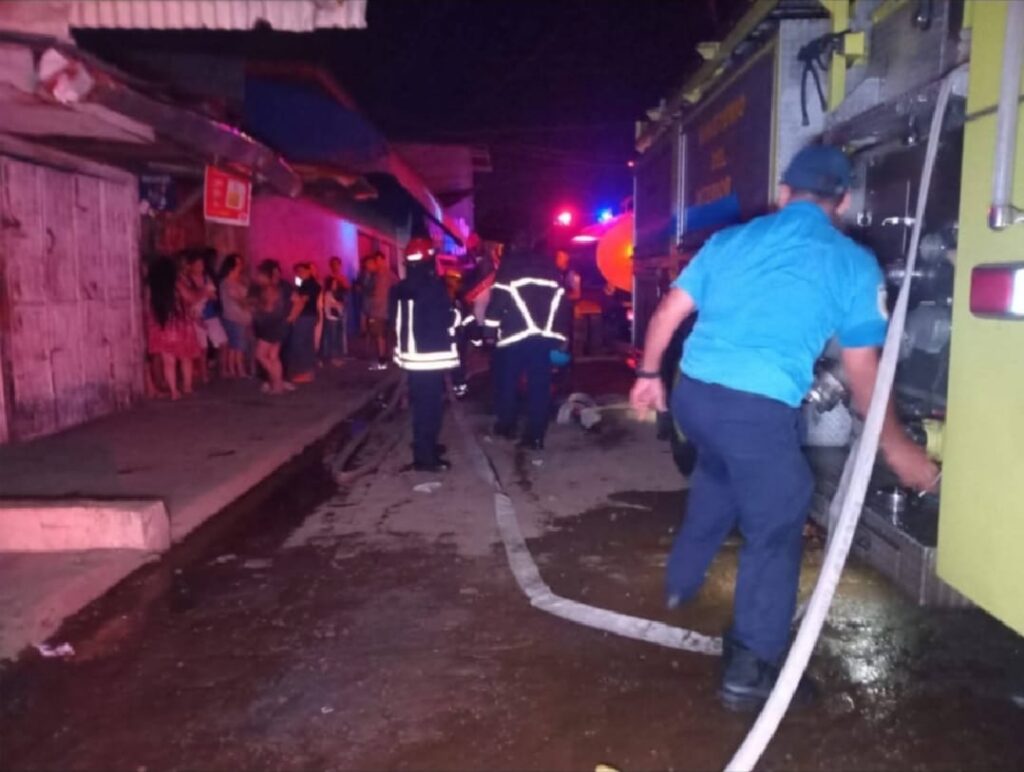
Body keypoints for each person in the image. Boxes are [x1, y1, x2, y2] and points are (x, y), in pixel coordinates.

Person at [629, 144, 939, 711]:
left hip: (693, 395)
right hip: (753, 408)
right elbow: (862, 371)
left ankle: (683, 577)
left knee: (723, 470)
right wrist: (899, 453)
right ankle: (750, 671)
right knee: (778, 519)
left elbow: (667, 313)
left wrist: (649, 374)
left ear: (783, 194)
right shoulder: (852, 263)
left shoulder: (729, 241)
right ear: (842, 201)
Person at [485, 231, 570, 450]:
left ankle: (507, 426)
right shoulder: (550, 267)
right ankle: (535, 436)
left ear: (512, 247)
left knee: (507, 382)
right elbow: (563, 302)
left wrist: (489, 333)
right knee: (539, 386)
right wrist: (562, 336)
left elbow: (497, 303)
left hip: (515, 335)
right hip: (545, 336)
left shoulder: (509, 267)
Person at [390, 237, 461, 472]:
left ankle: (426, 445)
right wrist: (459, 313)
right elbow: (445, 320)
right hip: (430, 358)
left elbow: (394, 321)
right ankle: (425, 458)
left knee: (421, 405)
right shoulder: (433, 287)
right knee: (430, 408)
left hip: (411, 358)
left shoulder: (399, 287)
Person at [145, 255, 200, 400]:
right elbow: (190, 297)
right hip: (179, 324)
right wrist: (200, 293)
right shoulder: (177, 283)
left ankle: (174, 391)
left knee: (168, 360)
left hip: (161, 325)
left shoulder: (152, 287)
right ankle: (187, 387)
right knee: (185, 357)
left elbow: (147, 307)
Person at [182, 250, 227, 384]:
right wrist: (203, 293)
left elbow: (213, 295)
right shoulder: (186, 280)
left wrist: (205, 294)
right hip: (196, 315)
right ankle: (204, 374)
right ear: (190, 266)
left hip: (210, 313)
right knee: (203, 347)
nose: (200, 267)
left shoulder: (207, 278)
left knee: (223, 342)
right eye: (197, 265)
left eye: (202, 264)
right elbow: (190, 299)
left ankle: (222, 369)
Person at [252, 259, 291, 395]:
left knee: (260, 355)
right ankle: (278, 386)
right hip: (278, 325)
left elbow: (268, 309)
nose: (257, 277)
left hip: (270, 327)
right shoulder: (275, 288)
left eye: (260, 275)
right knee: (273, 356)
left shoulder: (269, 289)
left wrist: (256, 307)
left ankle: (277, 381)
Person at [218, 253, 252, 378]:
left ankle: (233, 369)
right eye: (238, 263)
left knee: (237, 345)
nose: (240, 266)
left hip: (242, 317)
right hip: (234, 317)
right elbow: (237, 299)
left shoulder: (240, 280)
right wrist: (249, 305)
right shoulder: (227, 282)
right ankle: (238, 370)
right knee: (238, 346)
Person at [286, 262, 320, 383]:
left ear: (308, 270)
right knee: (306, 343)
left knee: (300, 343)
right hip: (308, 315)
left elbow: (302, 301)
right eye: (297, 271)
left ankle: (306, 372)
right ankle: (307, 370)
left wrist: (292, 316)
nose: (299, 273)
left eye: (302, 271)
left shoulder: (310, 284)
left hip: (305, 316)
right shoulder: (304, 283)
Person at [363, 251, 395, 370]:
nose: (368, 268)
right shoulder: (386, 274)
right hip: (387, 310)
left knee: (380, 336)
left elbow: (377, 295)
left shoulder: (381, 275)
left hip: (379, 311)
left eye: (369, 265)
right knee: (385, 335)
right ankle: (387, 358)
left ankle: (382, 360)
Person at [321, 256, 350, 366]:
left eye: (337, 264)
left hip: (340, 310)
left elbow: (346, 291)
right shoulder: (328, 279)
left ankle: (341, 352)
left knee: (340, 332)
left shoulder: (343, 278)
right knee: (332, 333)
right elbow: (327, 295)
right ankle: (333, 356)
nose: (335, 266)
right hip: (332, 312)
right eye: (333, 264)